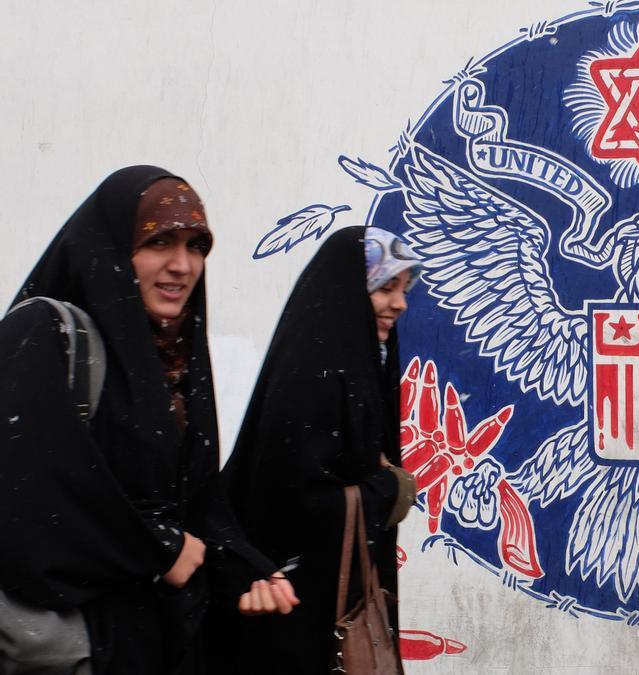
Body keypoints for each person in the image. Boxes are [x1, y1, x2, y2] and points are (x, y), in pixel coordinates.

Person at [0, 166, 297, 674]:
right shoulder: (43, 334)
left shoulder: (177, 366)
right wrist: (157, 550)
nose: (183, 265)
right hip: (70, 646)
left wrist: (246, 570)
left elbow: (195, 505)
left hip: (154, 641)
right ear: (113, 251)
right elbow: (28, 500)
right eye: (160, 242)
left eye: (197, 246)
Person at [218, 226, 418, 674]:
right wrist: (388, 488)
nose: (400, 304)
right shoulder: (315, 376)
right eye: (386, 287)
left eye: (404, 289)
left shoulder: (357, 363)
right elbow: (290, 501)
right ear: (350, 291)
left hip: (329, 601)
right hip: (293, 609)